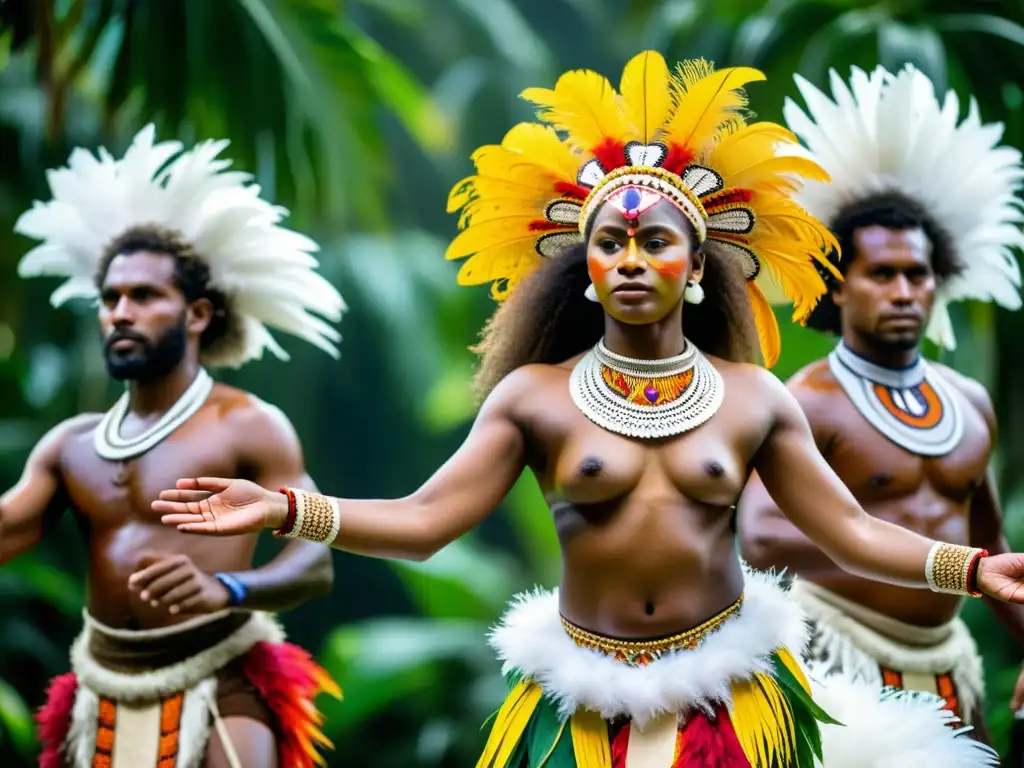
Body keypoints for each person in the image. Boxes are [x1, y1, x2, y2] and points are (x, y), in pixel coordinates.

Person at [150, 53, 1007, 767]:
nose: (631, 258)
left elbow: (850, 533)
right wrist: (288, 509)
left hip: (732, 703)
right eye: (611, 241)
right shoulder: (536, 396)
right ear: (587, 267)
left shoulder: (754, 397)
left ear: (698, 265)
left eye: (656, 241)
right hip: (578, 711)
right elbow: (423, 521)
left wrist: (972, 569)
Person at [4, 125, 345, 768]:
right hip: (99, 688)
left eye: (144, 296)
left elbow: (316, 562)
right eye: (109, 298)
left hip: (221, 679)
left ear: (197, 314)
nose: (120, 313)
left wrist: (230, 588)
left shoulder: (248, 425)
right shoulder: (71, 446)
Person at [738, 63, 1024, 745]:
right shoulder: (807, 400)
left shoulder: (968, 402)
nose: (903, 291)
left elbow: (990, 543)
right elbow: (763, 535)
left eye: (917, 274)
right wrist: (938, 562)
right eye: (882, 273)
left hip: (951, 666)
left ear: (939, 283)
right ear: (837, 287)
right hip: (835, 664)